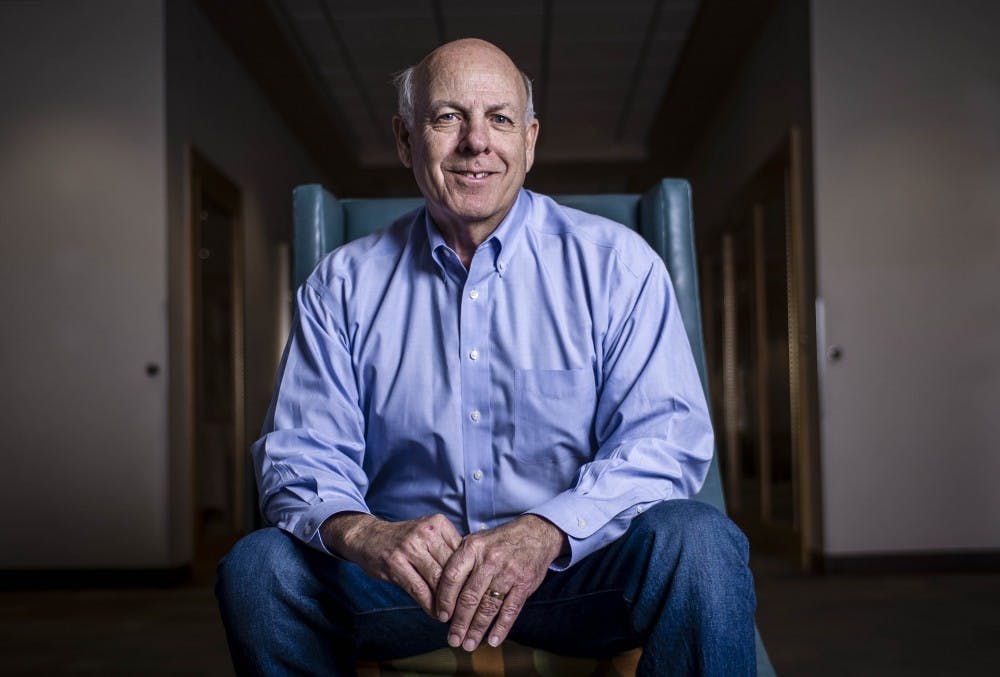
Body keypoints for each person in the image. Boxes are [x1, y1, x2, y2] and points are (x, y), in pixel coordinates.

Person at [216, 38, 756, 676]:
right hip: (408, 587)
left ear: (529, 141)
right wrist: (364, 533)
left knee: (702, 543)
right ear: (404, 139)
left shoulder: (618, 266)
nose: (477, 142)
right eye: (448, 118)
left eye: (499, 118)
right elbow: (301, 452)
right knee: (257, 570)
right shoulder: (342, 286)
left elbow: (665, 442)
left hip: (574, 576)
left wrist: (545, 531)